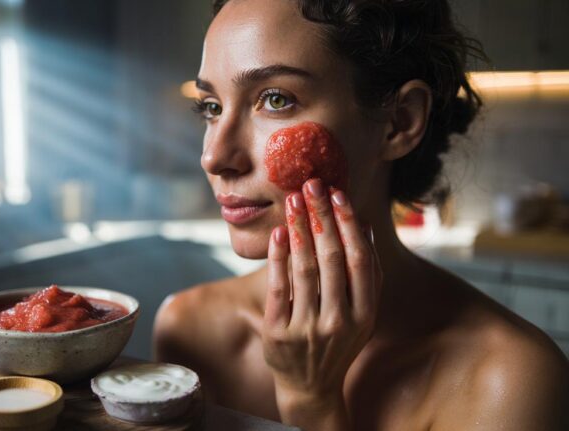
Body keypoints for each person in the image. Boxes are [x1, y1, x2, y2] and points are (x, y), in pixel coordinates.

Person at [153, 0, 569, 430]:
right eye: (210, 107)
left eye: (275, 99)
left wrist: (311, 404)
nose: (214, 156)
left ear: (399, 123)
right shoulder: (189, 331)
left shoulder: (511, 381)